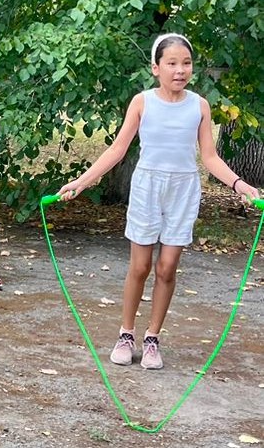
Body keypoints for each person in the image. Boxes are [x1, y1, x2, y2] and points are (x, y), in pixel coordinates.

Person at [57, 33, 260, 370]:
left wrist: (239, 184)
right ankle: (126, 334)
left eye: (186, 63)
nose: (180, 70)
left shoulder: (199, 106)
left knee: (166, 268)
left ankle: (152, 338)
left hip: (183, 189)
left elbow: (209, 157)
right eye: (172, 63)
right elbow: (117, 149)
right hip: (148, 187)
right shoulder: (142, 102)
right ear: (156, 68)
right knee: (140, 267)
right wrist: (81, 182)